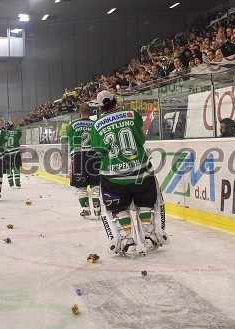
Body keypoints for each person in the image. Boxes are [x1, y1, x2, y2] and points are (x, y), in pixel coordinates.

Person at [91, 90, 169, 257]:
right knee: (147, 204)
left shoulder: (97, 125)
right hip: (141, 171)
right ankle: (149, 237)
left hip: (113, 176)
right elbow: (141, 139)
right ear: (115, 100)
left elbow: (100, 151)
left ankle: (128, 242)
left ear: (100, 107)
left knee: (119, 209)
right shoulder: (132, 114)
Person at [66, 103, 101, 219]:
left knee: (80, 185)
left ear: (79, 112)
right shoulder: (95, 124)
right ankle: (97, 210)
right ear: (90, 111)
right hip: (94, 155)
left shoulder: (73, 124)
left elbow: (69, 139)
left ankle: (85, 210)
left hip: (78, 156)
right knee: (96, 184)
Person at [4, 119, 23, 188]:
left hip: (6, 153)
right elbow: (20, 130)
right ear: (12, 126)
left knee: (8, 169)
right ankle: (17, 183)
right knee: (16, 168)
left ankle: (11, 183)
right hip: (15, 152)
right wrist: (16, 123)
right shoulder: (16, 131)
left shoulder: (3, 133)